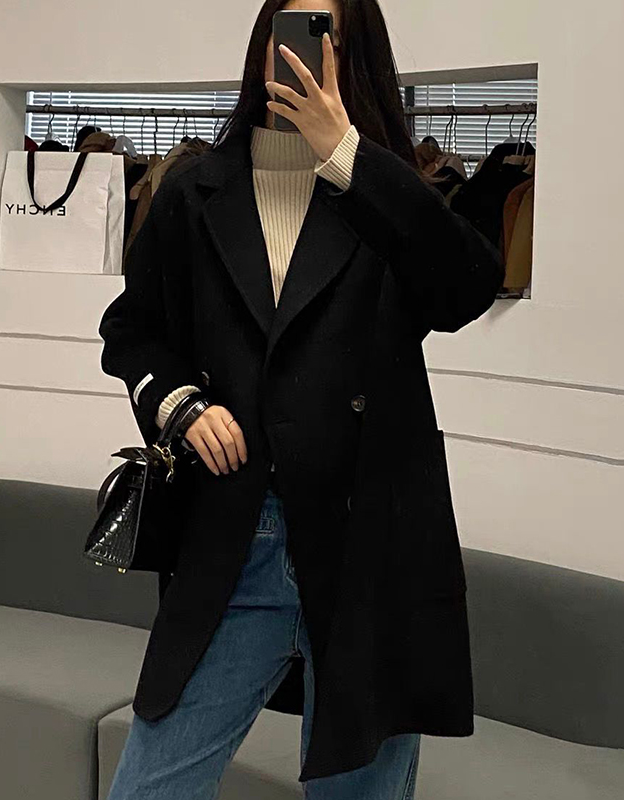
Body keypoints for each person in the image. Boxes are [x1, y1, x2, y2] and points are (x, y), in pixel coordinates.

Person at [100, 1, 505, 798]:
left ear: (351, 59)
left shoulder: (387, 193)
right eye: (285, 32)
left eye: (323, 37)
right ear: (261, 46)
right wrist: (180, 405)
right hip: (236, 536)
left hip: (369, 547)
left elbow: (465, 290)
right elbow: (132, 330)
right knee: (151, 785)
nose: (294, 55)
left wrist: (346, 154)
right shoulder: (194, 192)